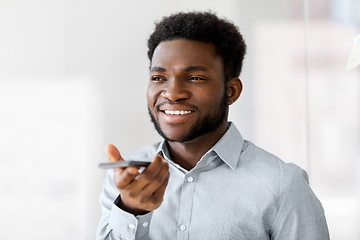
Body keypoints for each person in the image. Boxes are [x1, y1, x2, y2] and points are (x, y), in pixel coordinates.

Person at [96, 11, 330, 240]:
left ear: (231, 91)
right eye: (159, 78)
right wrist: (131, 210)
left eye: (195, 78)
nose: (173, 93)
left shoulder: (283, 186)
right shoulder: (126, 180)